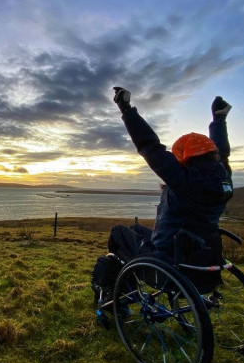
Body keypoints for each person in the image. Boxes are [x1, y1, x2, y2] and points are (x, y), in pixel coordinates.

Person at [91, 87, 234, 301]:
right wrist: (219, 120)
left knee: (118, 234)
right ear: (211, 154)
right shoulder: (224, 180)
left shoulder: (183, 180)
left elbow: (149, 146)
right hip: (202, 262)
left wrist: (126, 109)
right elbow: (222, 154)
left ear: (182, 157)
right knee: (135, 229)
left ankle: (119, 294)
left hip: (169, 264)